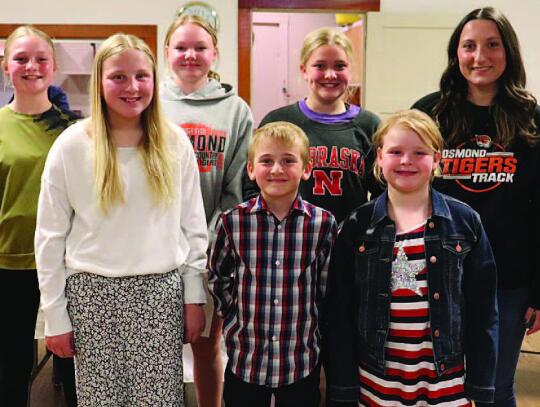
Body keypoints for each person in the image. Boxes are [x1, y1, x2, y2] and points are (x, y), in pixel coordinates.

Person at [34, 33, 208, 406]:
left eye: (142, 76)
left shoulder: (175, 143)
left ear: (154, 80)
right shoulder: (71, 146)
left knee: (159, 400)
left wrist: (195, 297)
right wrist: (55, 317)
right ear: (100, 81)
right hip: (91, 296)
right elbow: (49, 238)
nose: (132, 87)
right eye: (118, 77)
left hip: (158, 296)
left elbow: (194, 228)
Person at [325, 109, 499, 406]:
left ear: (436, 159)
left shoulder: (465, 222)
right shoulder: (357, 226)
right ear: (379, 157)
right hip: (377, 383)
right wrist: (343, 387)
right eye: (396, 152)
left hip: (446, 385)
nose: (406, 160)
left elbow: (484, 313)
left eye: (419, 153)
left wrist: (481, 385)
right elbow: (339, 312)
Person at [411, 7, 540, 406]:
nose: (480, 56)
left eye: (492, 45)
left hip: (509, 279)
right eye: (469, 46)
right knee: (435, 386)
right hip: (436, 273)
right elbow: (399, 186)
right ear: (457, 53)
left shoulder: (531, 120)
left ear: (508, 52)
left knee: (494, 389)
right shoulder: (430, 113)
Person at [209, 121, 338, 407]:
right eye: (266, 161)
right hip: (246, 359)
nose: (277, 169)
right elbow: (218, 276)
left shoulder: (323, 224)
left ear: (306, 169)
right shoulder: (232, 222)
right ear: (251, 169)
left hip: (299, 360)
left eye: (288, 160)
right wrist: (231, 313)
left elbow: (326, 286)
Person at [161, 13, 253, 407]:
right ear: (167, 51)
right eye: (181, 47)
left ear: (215, 53)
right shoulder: (150, 103)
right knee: (158, 347)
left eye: (200, 47)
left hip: (211, 248)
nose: (190, 55)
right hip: (156, 248)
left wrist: (210, 239)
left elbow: (236, 186)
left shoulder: (236, 111)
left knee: (205, 343)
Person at [0, 25, 78, 407]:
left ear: (54, 65)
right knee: (11, 366)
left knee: (72, 365)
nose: (31, 66)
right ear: (6, 66)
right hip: (8, 263)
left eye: (40, 58)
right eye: (21, 58)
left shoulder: (74, 131)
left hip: (67, 263)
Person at [246, 27, 380, 224]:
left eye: (340, 66)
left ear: (350, 70)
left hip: (351, 238)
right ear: (304, 70)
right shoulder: (279, 122)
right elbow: (252, 187)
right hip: (291, 237)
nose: (330, 75)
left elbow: (383, 193)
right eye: (320, 66)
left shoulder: (369, 125)